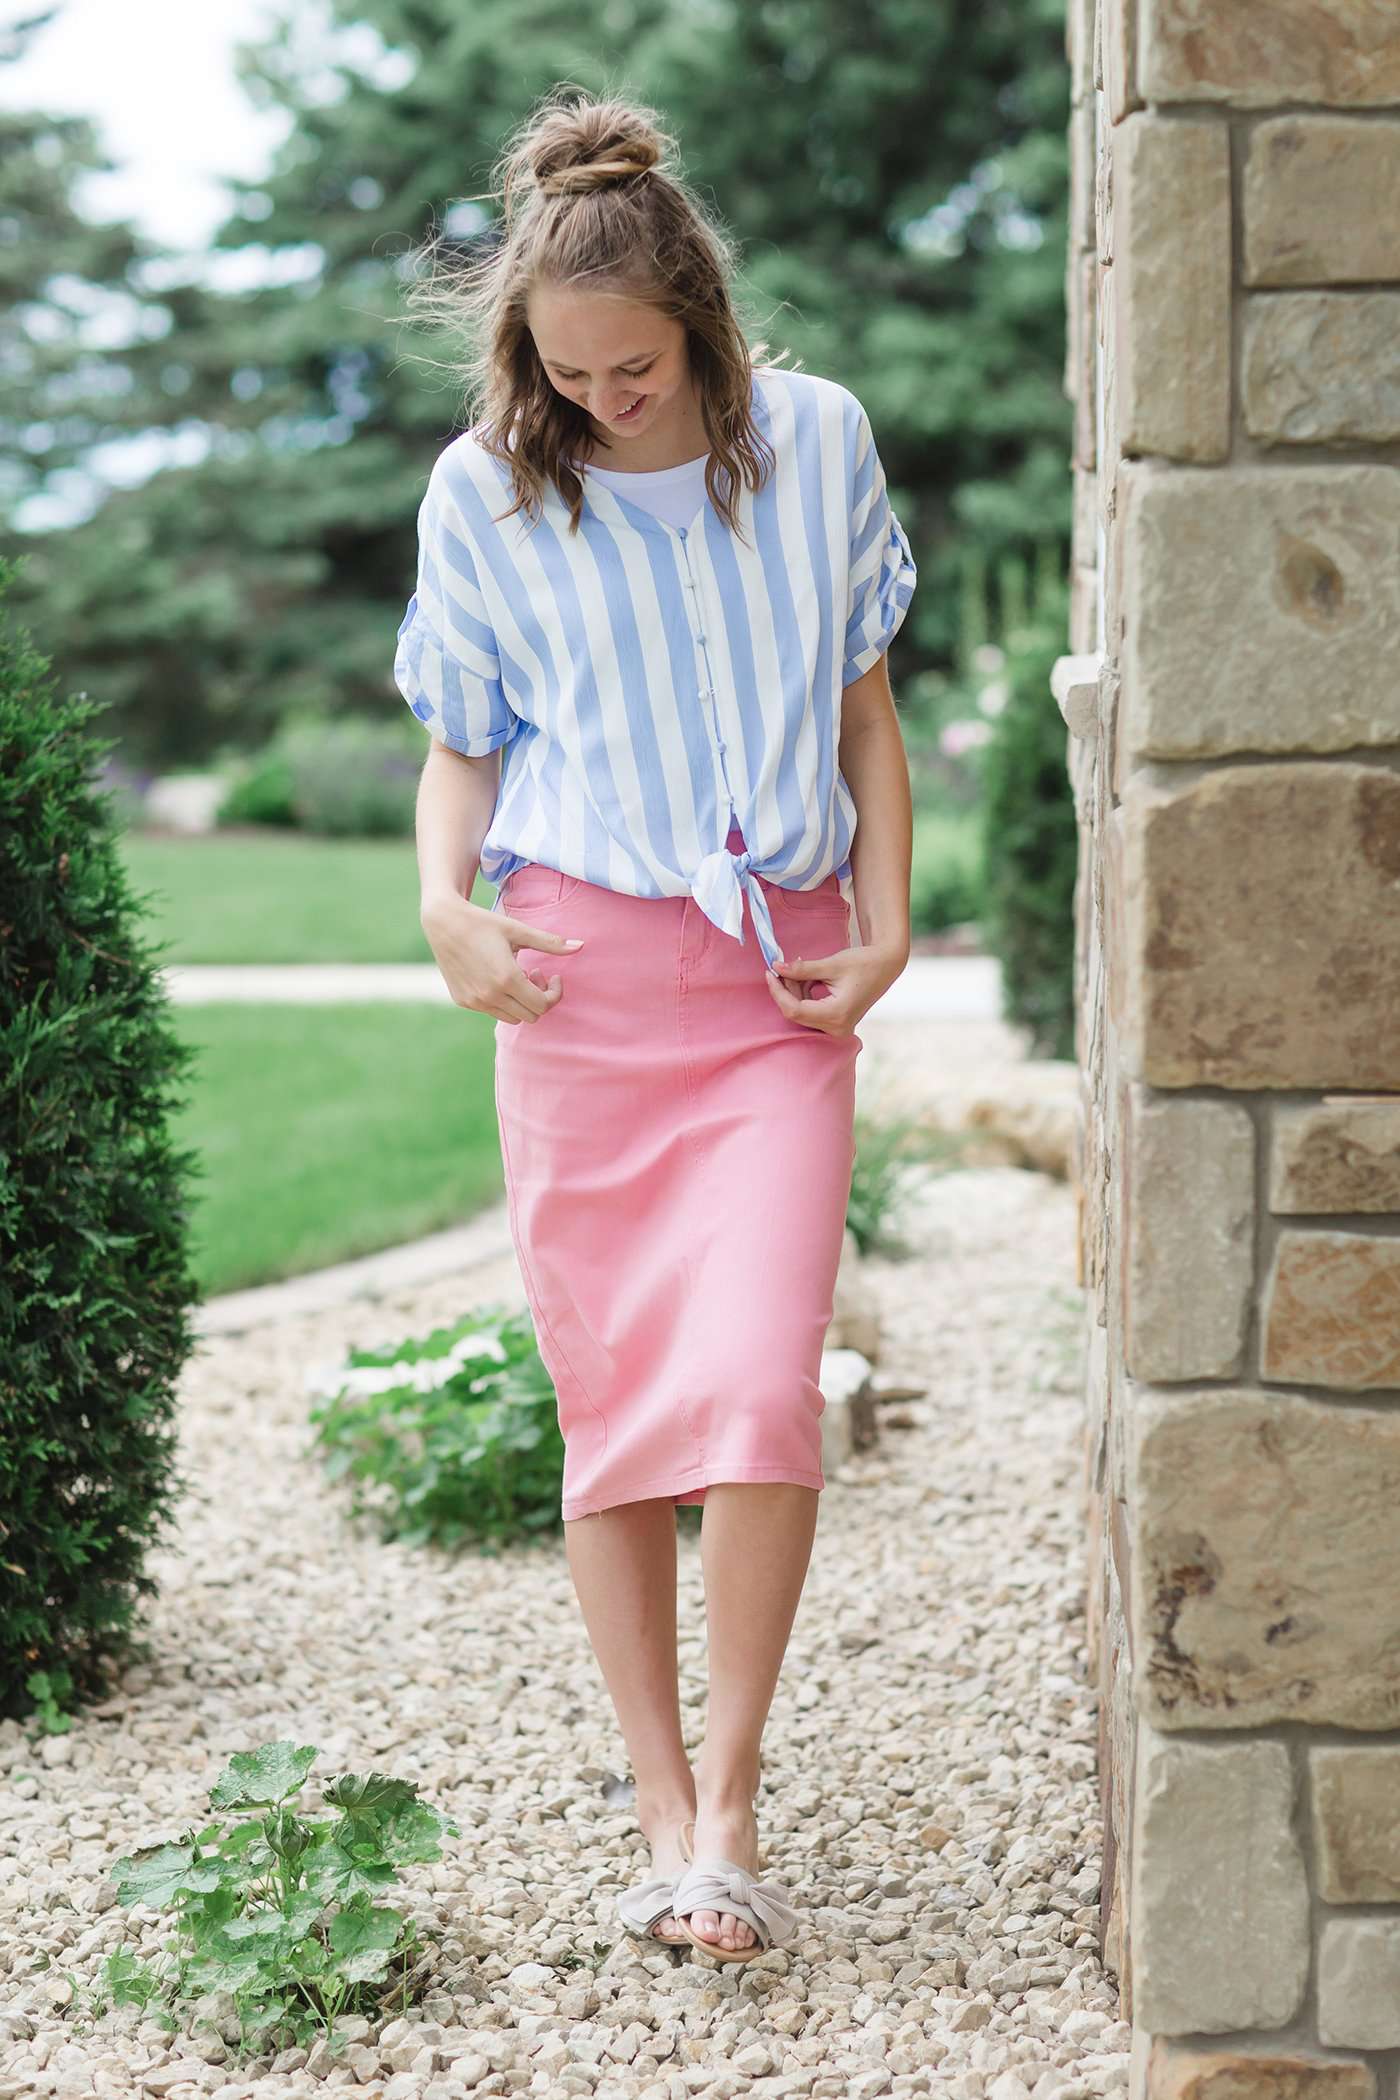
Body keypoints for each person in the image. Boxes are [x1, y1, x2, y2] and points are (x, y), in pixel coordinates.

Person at [394, 84, 917, 1964]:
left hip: (774, 986)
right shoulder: (490, 490)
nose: (604, 400)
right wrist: (447, 912)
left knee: (763, 1385)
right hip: (581, 984)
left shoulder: (822, 445)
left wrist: (889, 921)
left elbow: (864, 715)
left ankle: (742, 1798)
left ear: (695, 317)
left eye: (631, 368)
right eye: (568, 373)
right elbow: (466, 748)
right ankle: (660, 1809)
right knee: (614, 1412)